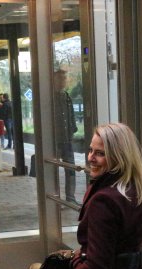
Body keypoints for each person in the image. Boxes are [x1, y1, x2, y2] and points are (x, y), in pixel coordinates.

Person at [37, 122, 142, 269]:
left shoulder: (104, 201)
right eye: (91, 150)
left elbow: (97, 266)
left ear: (119, 157)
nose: (91, 158)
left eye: (100, 153)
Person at [53, 69, 79, 203]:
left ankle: (70, 197)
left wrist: (72, 130)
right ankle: (55, 197)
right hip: (55, 140)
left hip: (67, 140)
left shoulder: (66, 96)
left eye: (64, 78)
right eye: (60, 79)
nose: (63, 81)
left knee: (71, 169)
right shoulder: (50, 97)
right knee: (53, 168)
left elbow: (71, 115)